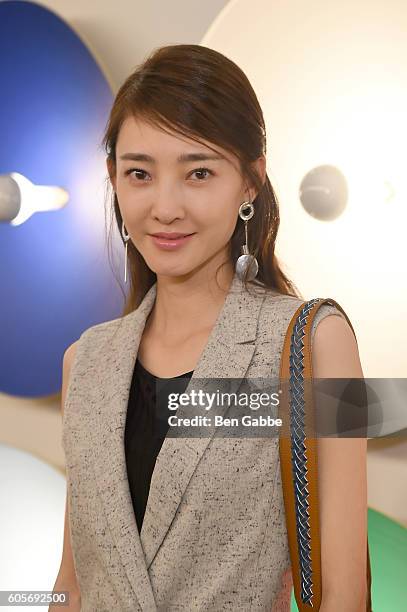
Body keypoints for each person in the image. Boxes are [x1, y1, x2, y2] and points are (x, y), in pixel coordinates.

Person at [50, 44, 368, 611]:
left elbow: (345, 593)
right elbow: (72, 587)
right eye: (139, 174)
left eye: (198, 172)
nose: (165, 207)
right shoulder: (86, 362)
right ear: (114, 181)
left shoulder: (314, 343)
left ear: (250, 182)